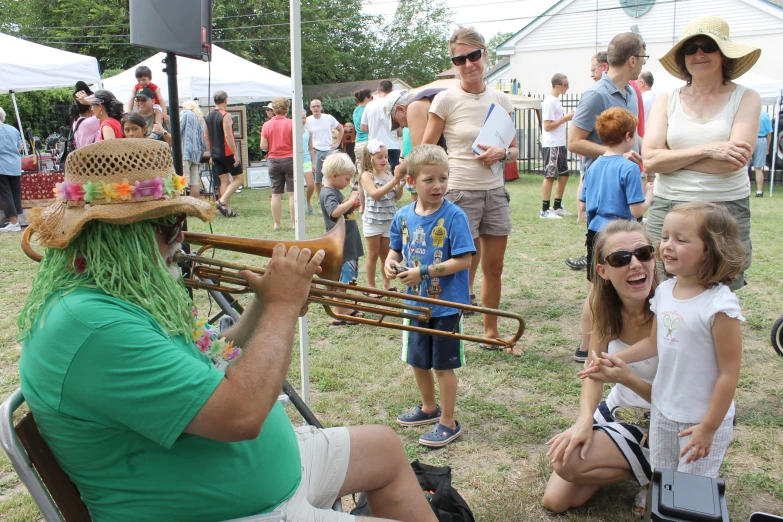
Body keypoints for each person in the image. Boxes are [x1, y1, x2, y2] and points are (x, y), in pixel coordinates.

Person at [17, 139, 439, 522]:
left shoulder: (118, 296)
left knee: (385, 447)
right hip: (230, 510)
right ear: (115, 237)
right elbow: (240, 415)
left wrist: (261, 307)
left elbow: (208, 359)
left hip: (257, 477)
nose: (180, 239)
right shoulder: (96, 327)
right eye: (169, 226)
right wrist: (283, 306)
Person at [580, 202, 744, 480]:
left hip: (699, 417)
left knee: (691, 485)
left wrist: (709, 427)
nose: (666, 246)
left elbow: (729, 374)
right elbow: (655, 343)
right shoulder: (666, 292)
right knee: (662, 475)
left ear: (711, 250)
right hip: (664, 411)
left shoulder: (720, 306)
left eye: (680, 240)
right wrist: (616, 360)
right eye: (665, 237)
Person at [543, 219, 658, 516]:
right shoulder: (602, 304)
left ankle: (657, 473)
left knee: (567, 464)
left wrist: (627, 378)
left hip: (664, 421)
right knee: (556, 501)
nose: (635, 264)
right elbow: (593, 374)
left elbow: (680, 404)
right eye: (621, 258)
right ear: (603, 271)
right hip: (621, 410)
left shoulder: (671, 309)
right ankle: (638, 464)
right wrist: (583, 420)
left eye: (644, 253)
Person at [644, 16, 760, 290]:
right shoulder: (666, 100)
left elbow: (733, 162)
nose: (698, 54)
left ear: (724, 54)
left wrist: (671, 158)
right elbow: (649, 159)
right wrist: (710, 149)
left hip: (725, 209)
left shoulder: (746, 97)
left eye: (708, 46)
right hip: (669, 206)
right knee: (660, 288)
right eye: (690, 48)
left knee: (720, 290)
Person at [422, 26, 519, 354]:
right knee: (462, 266)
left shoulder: (501, 100)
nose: (468, 64)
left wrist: (502, 152)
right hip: (459, 193)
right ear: (453, 63)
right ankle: (452, 328)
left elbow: (515, 149)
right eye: (459, 59)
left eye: (473, 56)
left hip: (494, 192)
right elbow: (427, 149)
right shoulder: (445, 98)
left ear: (485, 55)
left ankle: (490, 331)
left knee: (494, 267)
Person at [385, 144, 475, 447]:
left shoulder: (455, 216)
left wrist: (424, 272)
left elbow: (464, 260)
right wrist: (390, 261)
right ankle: (428, 408)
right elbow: (395, 248)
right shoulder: (402, 216)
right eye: (430, 180)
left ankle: (448, 421)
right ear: (411, 182)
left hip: (445, 306)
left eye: (443, 178)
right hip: (414, 304)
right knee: (418, 360)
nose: (438, 186)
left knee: (443, 365)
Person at [566, 32, 646, 363]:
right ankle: (588, 345)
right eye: (643, 57)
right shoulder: (596, 94)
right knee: (599, 287)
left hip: (613, 204)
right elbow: (574, 141)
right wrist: (614, 155)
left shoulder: (629, 92)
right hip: (610, 202)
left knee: (614, 284)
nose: (643, 63)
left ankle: (610, 339)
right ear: (632, 59)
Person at [580, 107, 654, 284]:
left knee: (595, 283)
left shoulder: (593, 167)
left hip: (594, 233)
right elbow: (636, 211)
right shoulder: (629, 168)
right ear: (628, 135)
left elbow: (582, 205)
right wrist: (650, 194)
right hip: (620, 236)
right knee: (619, 284)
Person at [319, 153, 365, 325]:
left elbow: (342, 211)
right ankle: (340, 312)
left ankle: (346, 308)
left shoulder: (335, 191)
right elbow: (334, 212)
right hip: (341, 246)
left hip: (349, 243)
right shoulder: (328, 193)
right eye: (346, 179)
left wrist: (351, 205)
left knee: (349, 279)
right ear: (334, 176)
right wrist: (351, 199)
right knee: (342, 281)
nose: (348, 183)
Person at [385, 87, 448, 204]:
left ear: (401, 109)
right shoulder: (436, 95)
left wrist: (401, 169)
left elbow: (421, 156)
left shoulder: (415, 106)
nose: (403, 126)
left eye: (397, 122)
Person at [360, 139, 406, 297]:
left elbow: (396, 197)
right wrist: (394, 181)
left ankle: (387, 285)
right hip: (373, 221)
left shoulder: (388, 174)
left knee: (385, 255)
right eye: (380, 157)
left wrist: (398, 185)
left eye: (386, 156)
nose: (384, 160)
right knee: (373, 254)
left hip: (389, 220)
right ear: (370, 157)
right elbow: (375, 194)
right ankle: (371, 287)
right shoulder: (367, 175)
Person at [540, 73, 575, 219]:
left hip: (560, 144)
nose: (567, 87)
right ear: (557, 85)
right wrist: (565, 118)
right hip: (552, 145)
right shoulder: (549, 102)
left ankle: (557, 205)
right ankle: (545, 209)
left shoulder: (556, 101)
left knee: (564, 175)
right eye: (565, 85)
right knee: (550, 176)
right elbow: (547, 126)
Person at [204, 90, 244, 218]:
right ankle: (221, 201)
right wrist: (235, 153)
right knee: (239, 179)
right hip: (227, 152)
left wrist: (211, 151)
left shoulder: (208, 115)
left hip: (215, 153)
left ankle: (227, 209)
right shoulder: (225, 115)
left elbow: (206, 136)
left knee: (224, 181)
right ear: (226, 100)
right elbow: (228, 135)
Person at [261, 97, 296, 231]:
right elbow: (296, 143)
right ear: (287, 109)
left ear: (274, 109)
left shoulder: (267, 125)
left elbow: (263, 145)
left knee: (276, 194)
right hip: (290, 159)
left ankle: (277, 224)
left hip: (274, 160)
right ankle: (294, 223)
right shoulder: (291, 123)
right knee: (292, 193)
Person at [306, 99, 343, 202]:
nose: (316, 108)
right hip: (316, 151)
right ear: (310, 108)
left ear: (321, 107)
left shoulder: (329, 118)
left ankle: (333, 197)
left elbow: (341, 129)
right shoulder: (307, 120)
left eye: (318, 106)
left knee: (333, 175)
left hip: (329, 150)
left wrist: (337, 143)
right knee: (318, 178)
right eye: (313, 106)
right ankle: (320, 199)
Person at [361, 80, 402, 175]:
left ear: (378, 90)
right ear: (391, 90)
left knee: (375, 176)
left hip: (374, 146)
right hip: (392, 145)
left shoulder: (369, 105)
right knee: (391, 177)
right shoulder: (395, 106)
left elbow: (363, 127)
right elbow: (400, 132)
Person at [0, 107, 23, 233]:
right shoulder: (13, 129)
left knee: (5, 194)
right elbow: (19, 148)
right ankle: (16, 221)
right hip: (15, 164)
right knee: (15, 193)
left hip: (1, 165)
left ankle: (14, 223)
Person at [181, 100, 207, 197]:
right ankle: (195, 205)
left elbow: (177, 130)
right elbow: (202, 140)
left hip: (184, 153)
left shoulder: (184, 114)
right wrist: (200, 156)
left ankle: (183, 207)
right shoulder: (199, 118)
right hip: (195, 155)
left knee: (182, 182)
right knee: (194, 182)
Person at [71, 81, 101, 149]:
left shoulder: (76, 122)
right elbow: (108, 110)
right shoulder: (90, 122)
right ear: (90, 108)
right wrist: (90, 100)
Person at [750, 110, 773, 197]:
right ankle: (759, 191)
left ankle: (746, 190)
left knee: (744, 167)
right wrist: (768, 148)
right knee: (758, 168)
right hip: (761, 140)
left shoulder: (749, 112)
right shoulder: (765, 115)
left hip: (749, 139)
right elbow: (769, 133)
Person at [353, 89, 372, 169]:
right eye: (371, 97)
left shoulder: (356, 111)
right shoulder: (366, 110)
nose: (372, 99)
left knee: (361, 170)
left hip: (358, 143)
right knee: (371, 171)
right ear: (366, 98)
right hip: (367, 142)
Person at [302, 110, 316, 214]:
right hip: (295, 161)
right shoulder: (292, 131)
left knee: (311, 185)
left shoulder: (308, 132)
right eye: (301, 117)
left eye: (304, 117)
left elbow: (311, 148)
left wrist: (313, 163)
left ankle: (307, 201)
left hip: (306, 160)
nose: (303, 120)